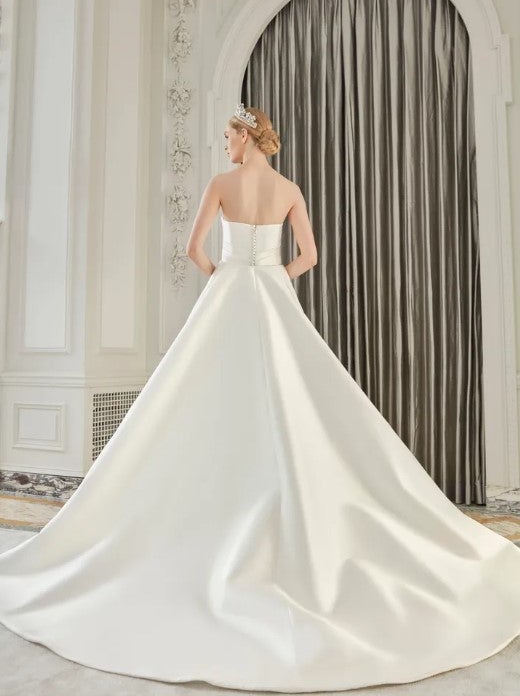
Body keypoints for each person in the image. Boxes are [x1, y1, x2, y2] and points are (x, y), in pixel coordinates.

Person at [0, 104, 519, 692]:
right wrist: (272, 276)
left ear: (246, 137)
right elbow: (310, 257)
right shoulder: (290, 189)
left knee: (200, 399)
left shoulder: (222, 184)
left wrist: (226, 275)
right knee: (293, 398)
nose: (225, 145)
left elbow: (193, 250)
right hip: (273, 294)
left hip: (227, 296)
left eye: (228, 136)